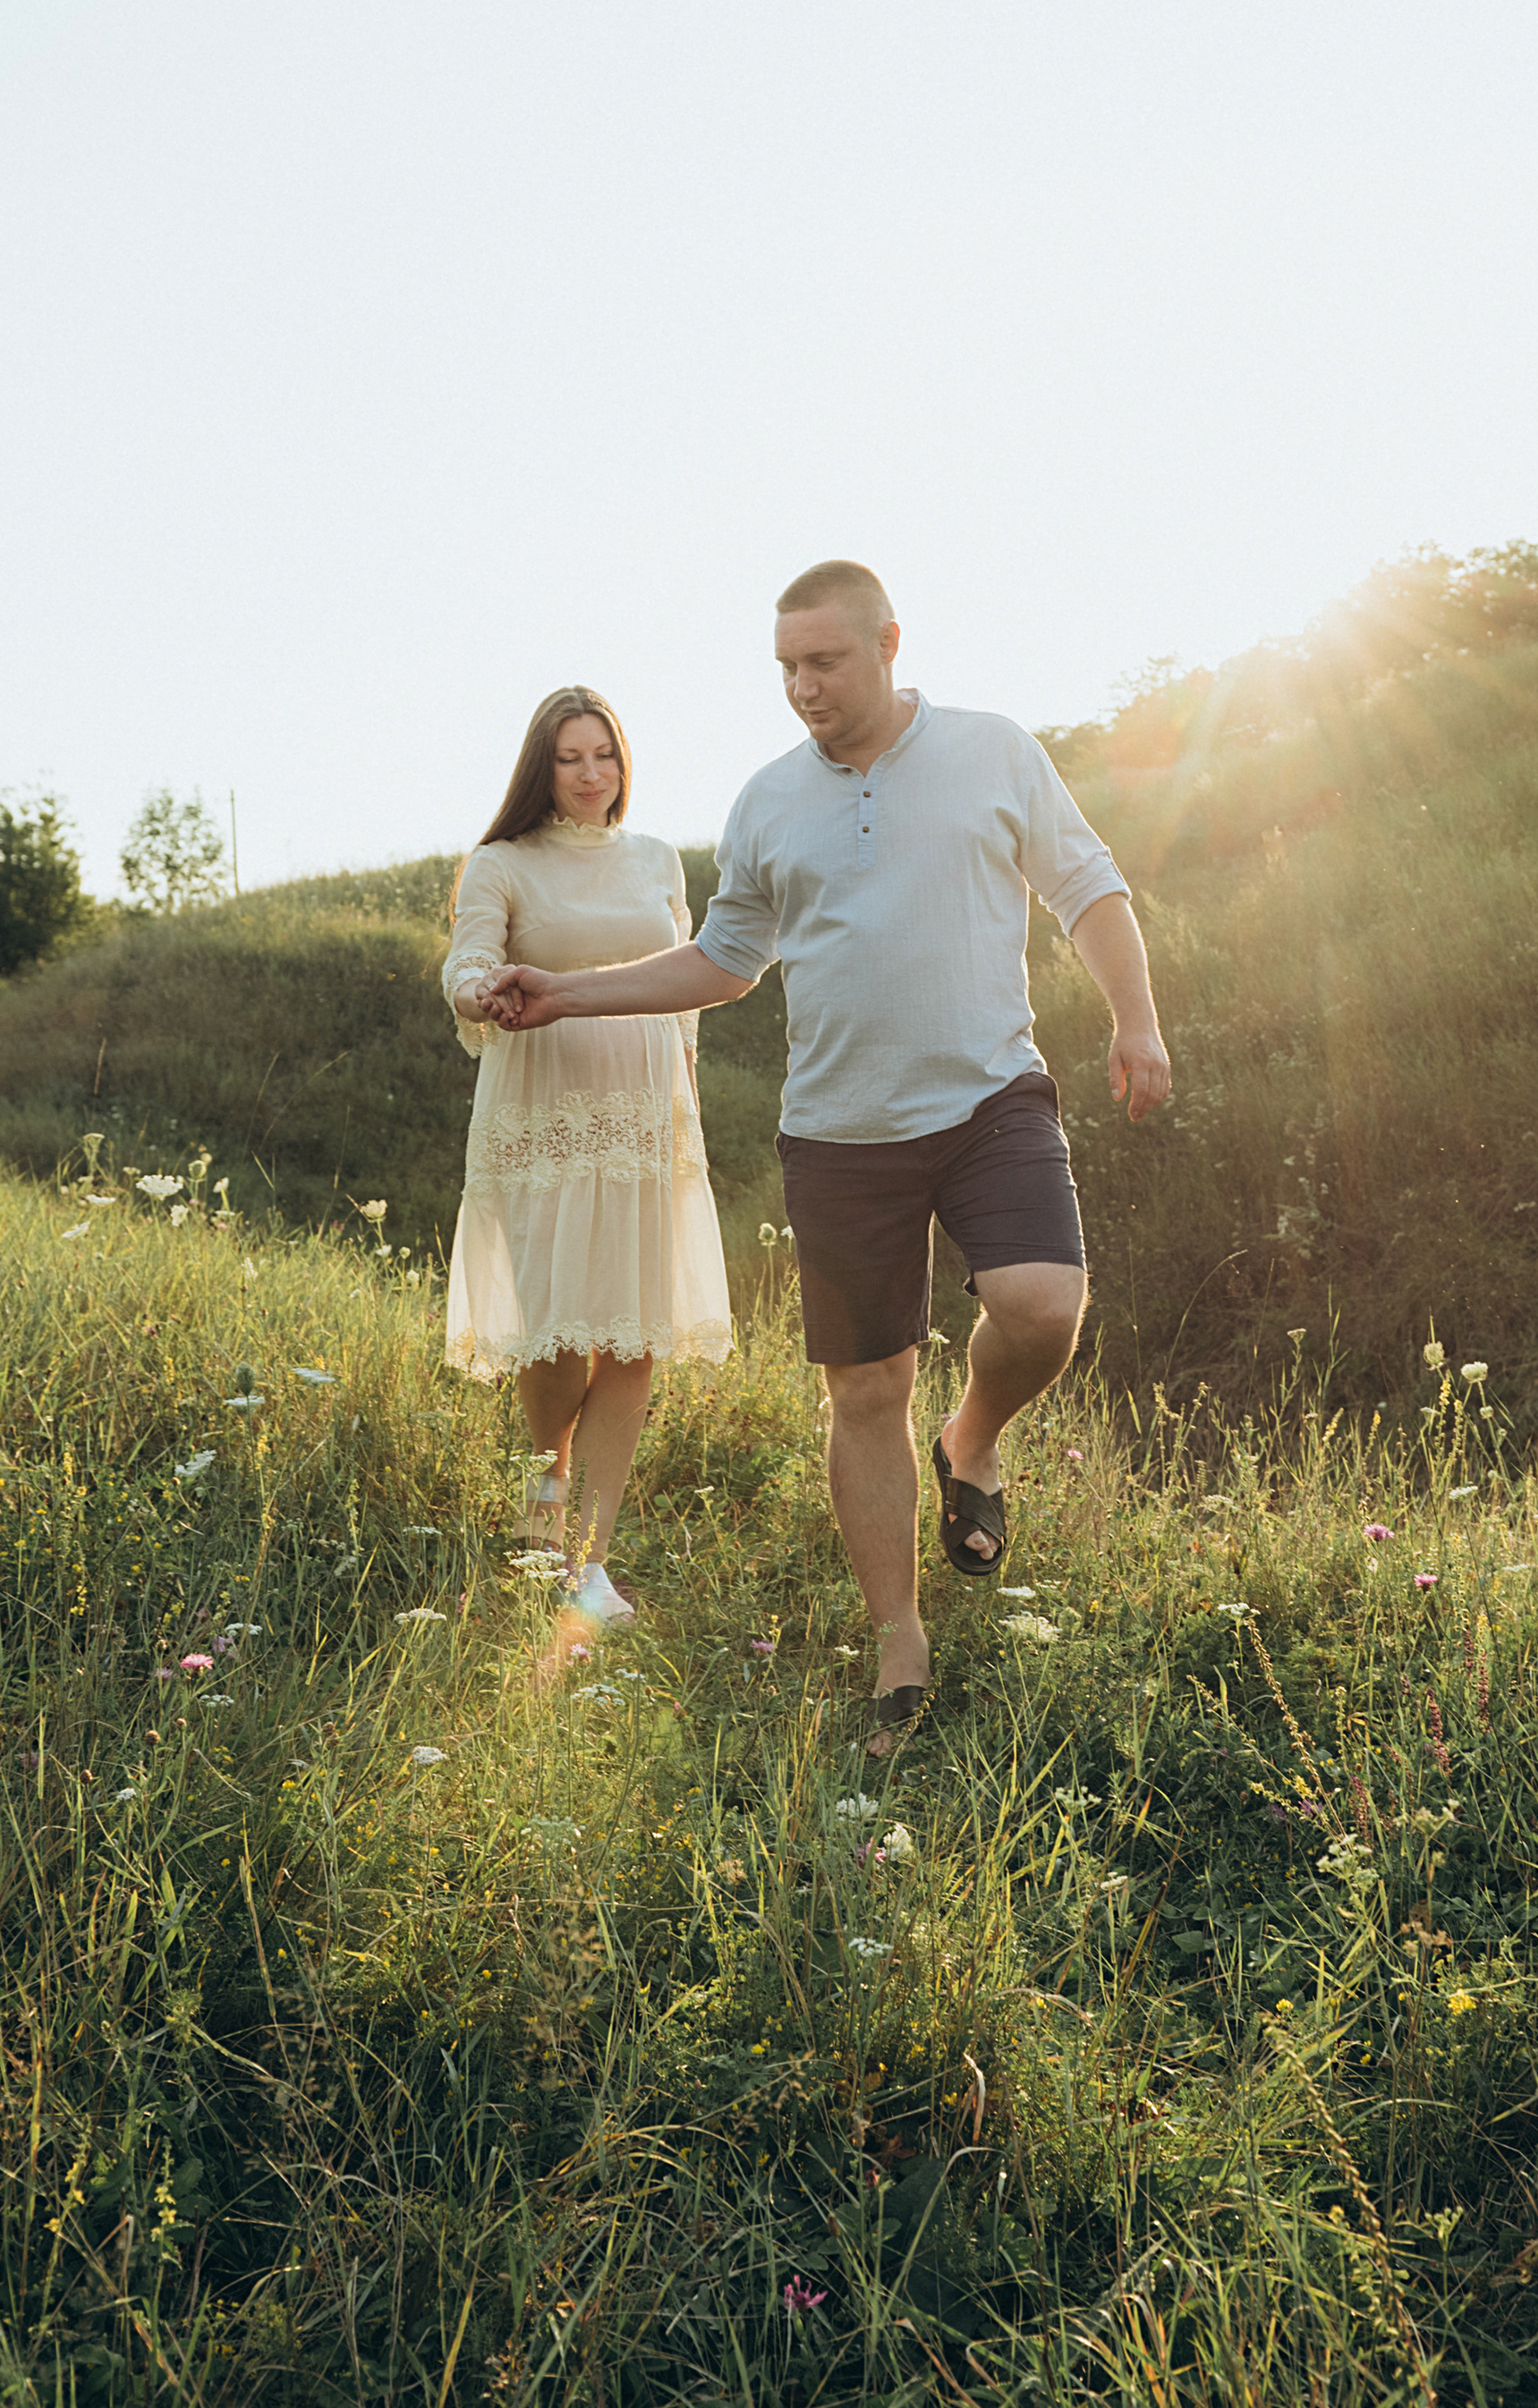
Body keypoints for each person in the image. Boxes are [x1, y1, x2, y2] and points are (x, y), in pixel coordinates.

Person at [472, 566, 1169, 1742]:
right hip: (840, 1133)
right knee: (867, 1386)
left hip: (993, 1094)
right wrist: (569, 994)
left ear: (888, 642)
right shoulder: (767, 802)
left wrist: (1136, 1017)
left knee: (1044, 1308)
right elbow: (725, 959)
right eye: (787, 667)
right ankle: (899, 1636)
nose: (804, 687)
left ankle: (975, 1438)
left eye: (825, 662)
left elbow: (1087, 886)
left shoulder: (994, 750)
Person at [442, 684, 733, 1624]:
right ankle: (543, 1498)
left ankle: (588, 1567)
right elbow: (467, 959)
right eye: (570, 758)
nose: (590, 773)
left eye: (603, 754)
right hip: (547, 1113)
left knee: (634, 1334)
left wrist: (688, 1099)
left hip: (648, 1113)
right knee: (559, 1332)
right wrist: (481, 989)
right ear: (543, 767)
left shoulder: (655, 858)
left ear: (623, 761)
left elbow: (685, 983)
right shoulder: (502, 862)